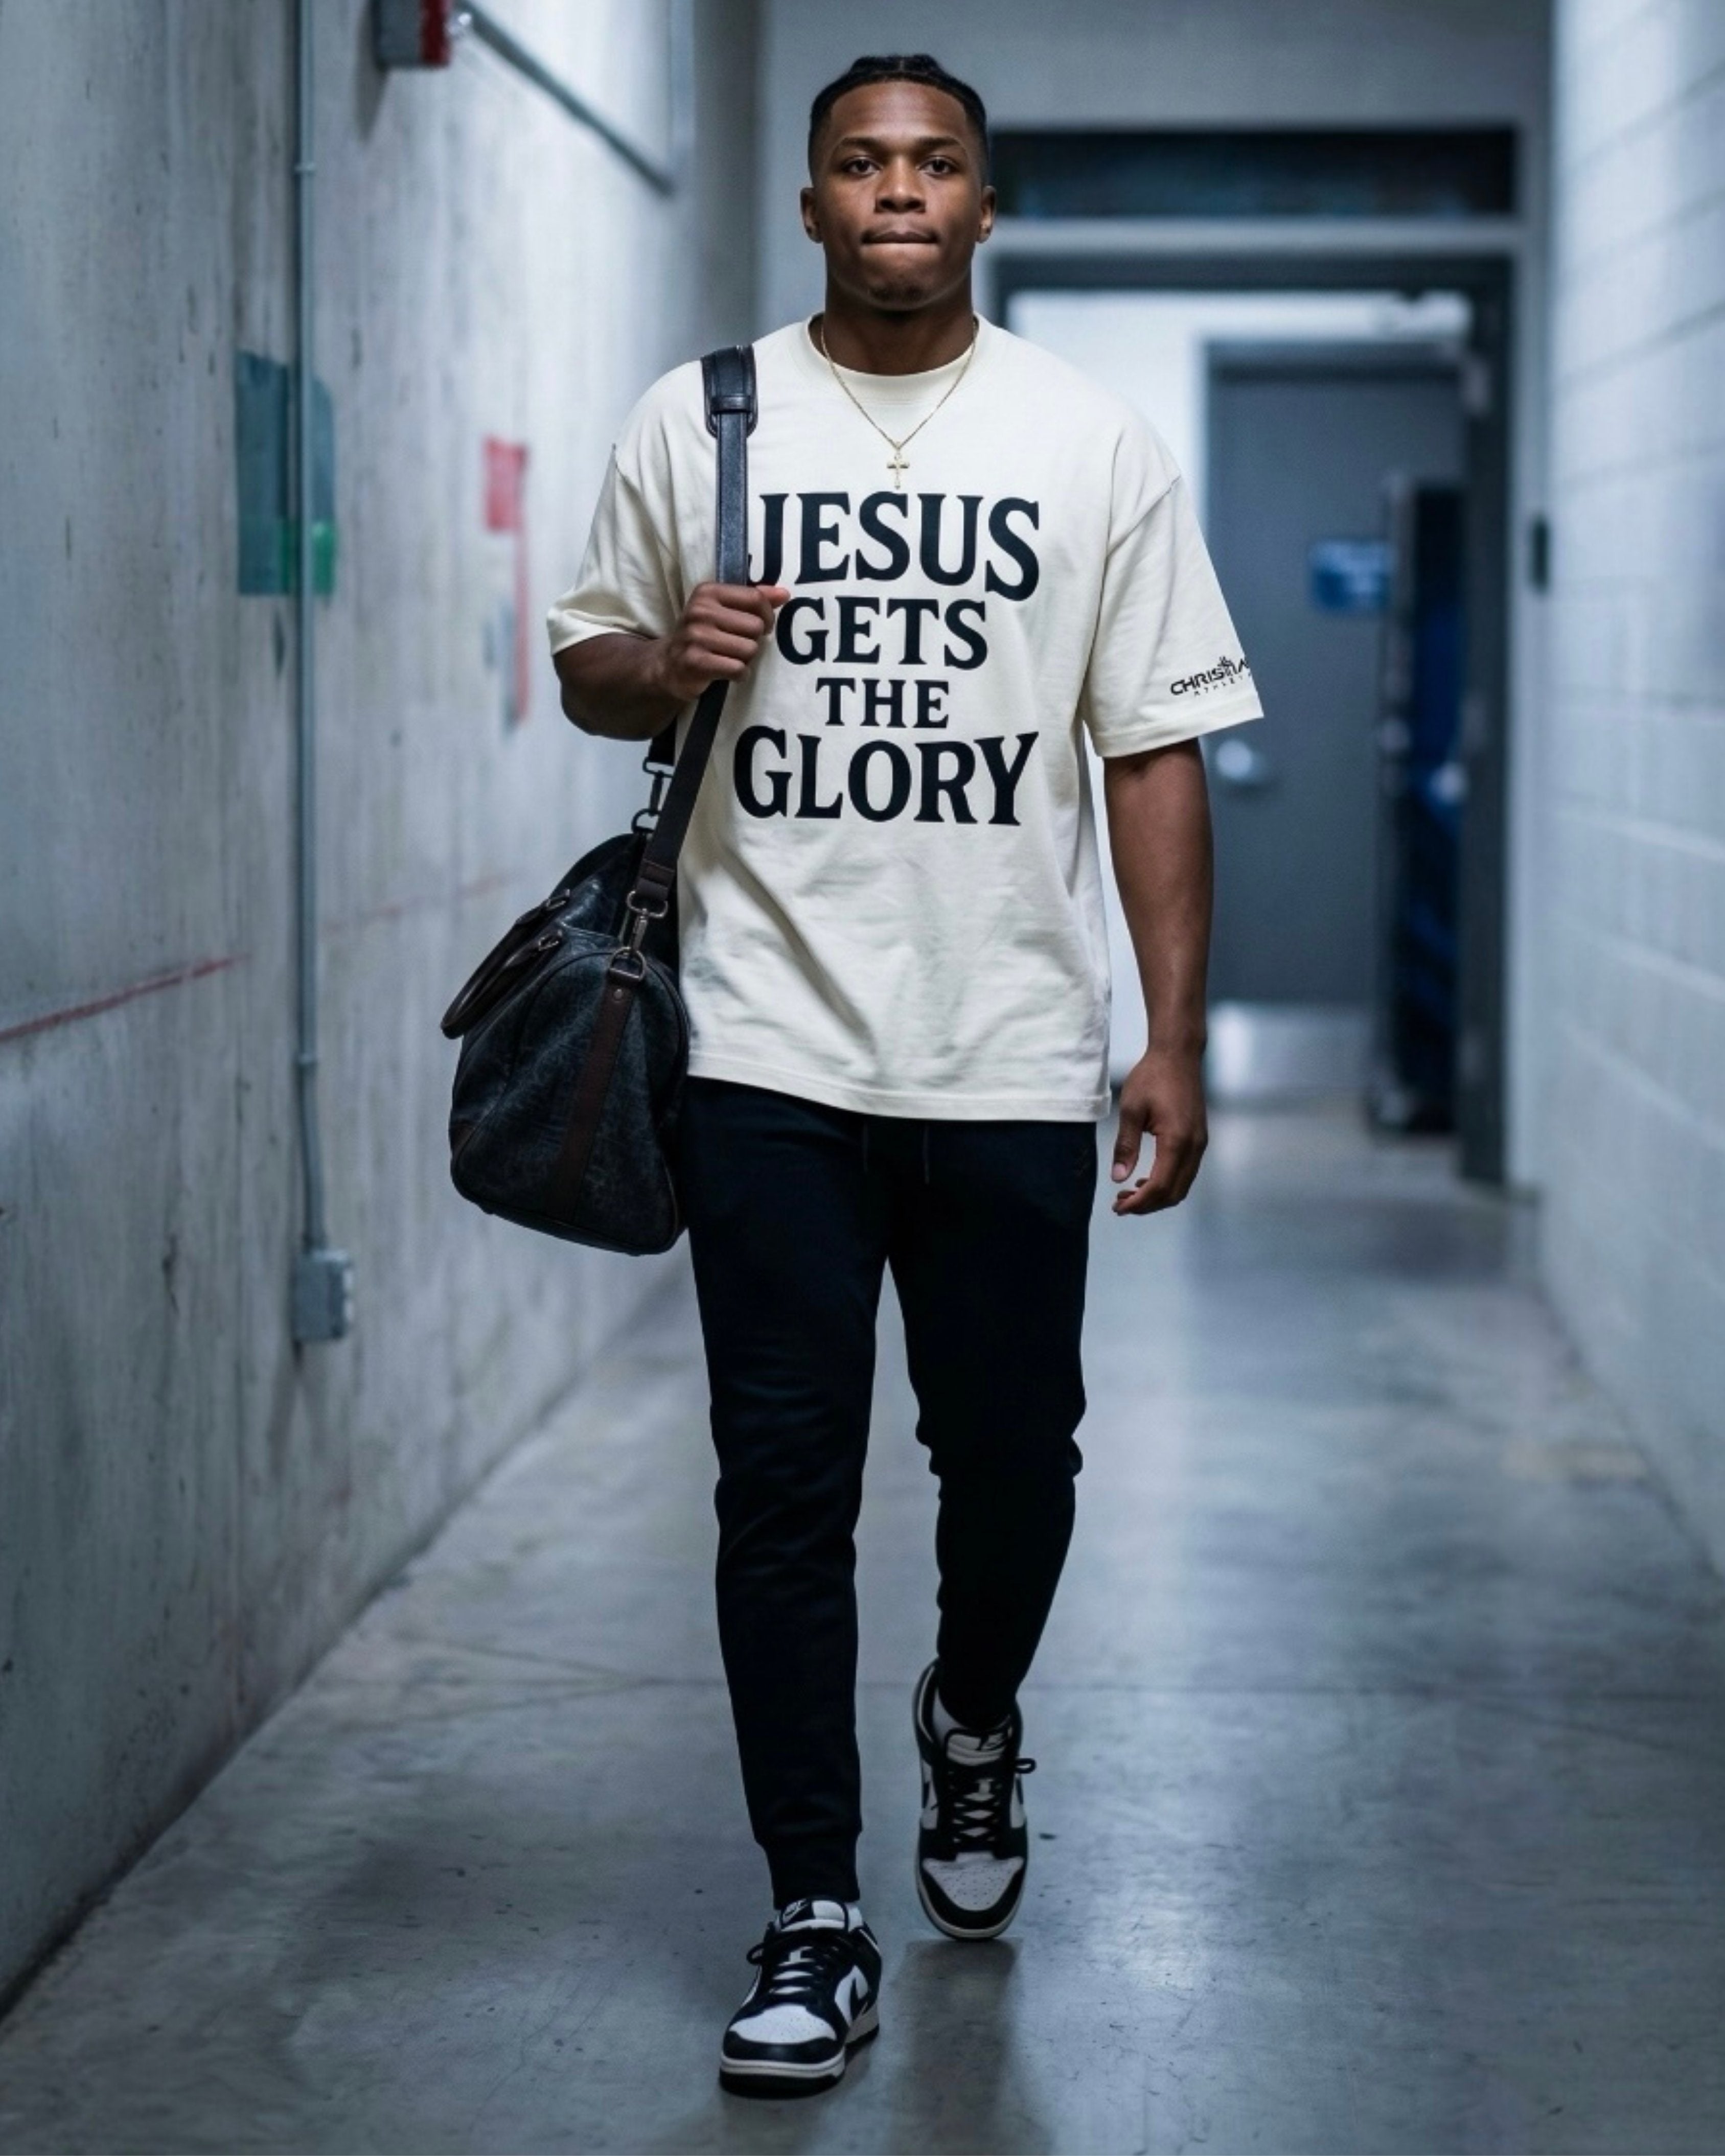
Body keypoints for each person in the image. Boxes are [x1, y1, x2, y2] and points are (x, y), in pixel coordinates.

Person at [548, 52, 1261, 2100]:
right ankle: (811, 1904)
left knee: (1013, 1458)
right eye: (859, 161)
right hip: (761, 1040)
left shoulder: (1084, 440)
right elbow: (586, 653)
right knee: (780, 1484)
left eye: (931, 162)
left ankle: (969, 1713)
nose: (895, 190)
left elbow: (1150, 749)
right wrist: (664, 655)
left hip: (1005, 1047)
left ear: (980, 200)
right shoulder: (703, 418)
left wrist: (1172, 1033)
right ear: (808, 204)